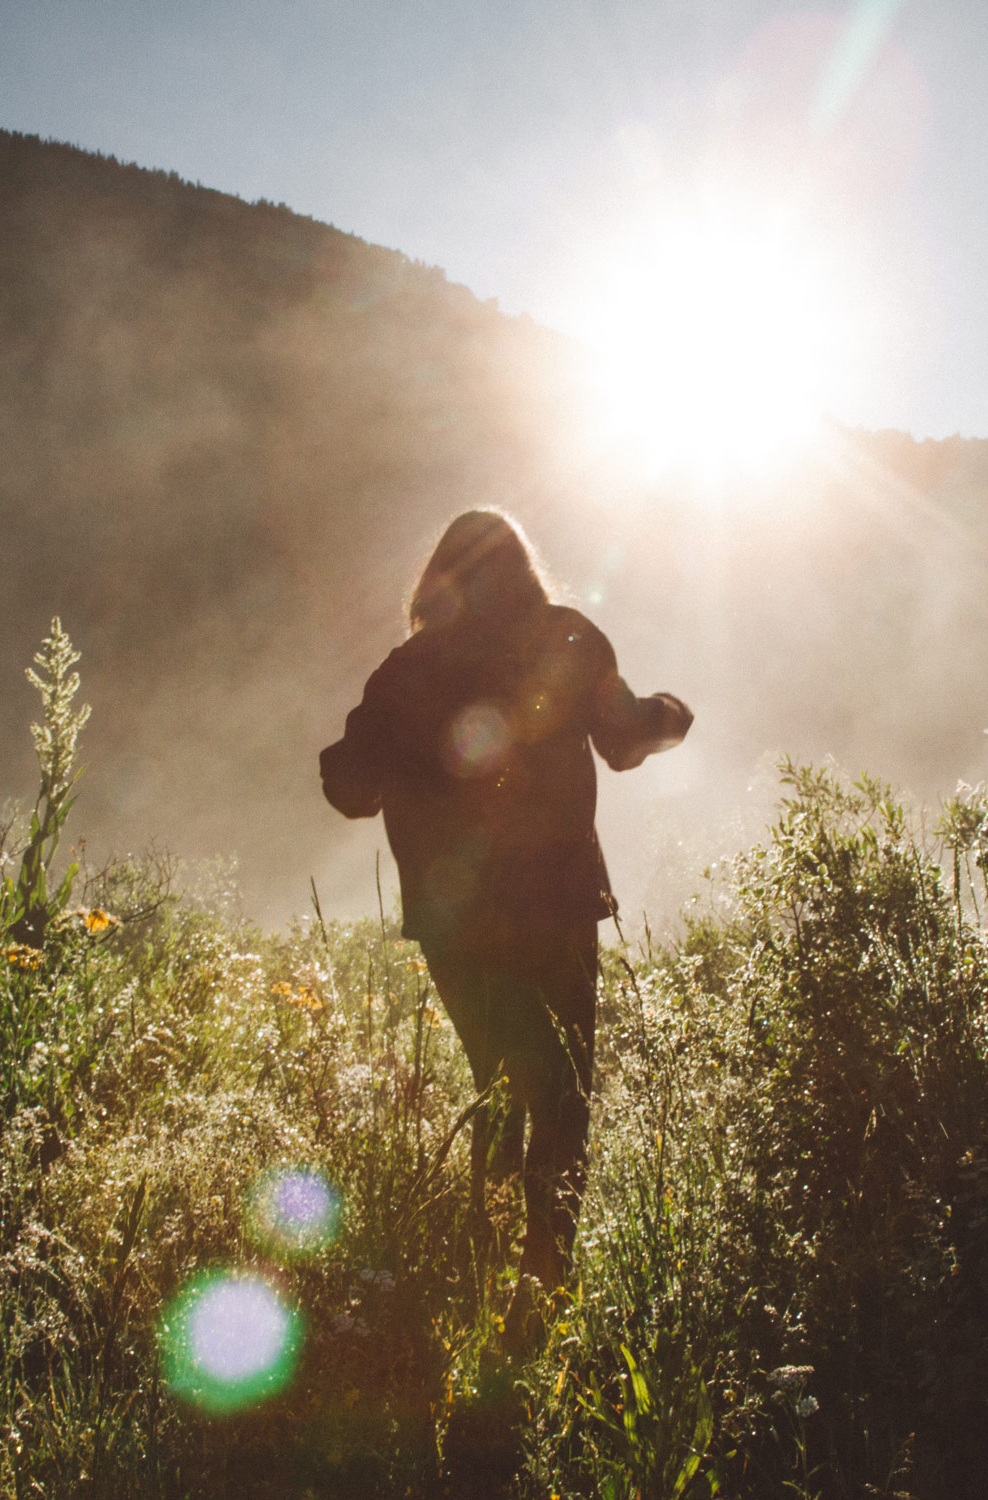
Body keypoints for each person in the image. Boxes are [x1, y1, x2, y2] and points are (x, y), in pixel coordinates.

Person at [319, 510, 691, 1322]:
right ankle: (542, 1288)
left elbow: (350, 786)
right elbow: (625, 741)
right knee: (562, 1099)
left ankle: (485, 1272)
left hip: (456, 920)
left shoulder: (405, 670)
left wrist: (390, 767)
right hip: (556, 902)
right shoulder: (566, 637)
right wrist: (672, 713)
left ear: (436, 580)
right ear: (524, 569)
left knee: (498, 1079)